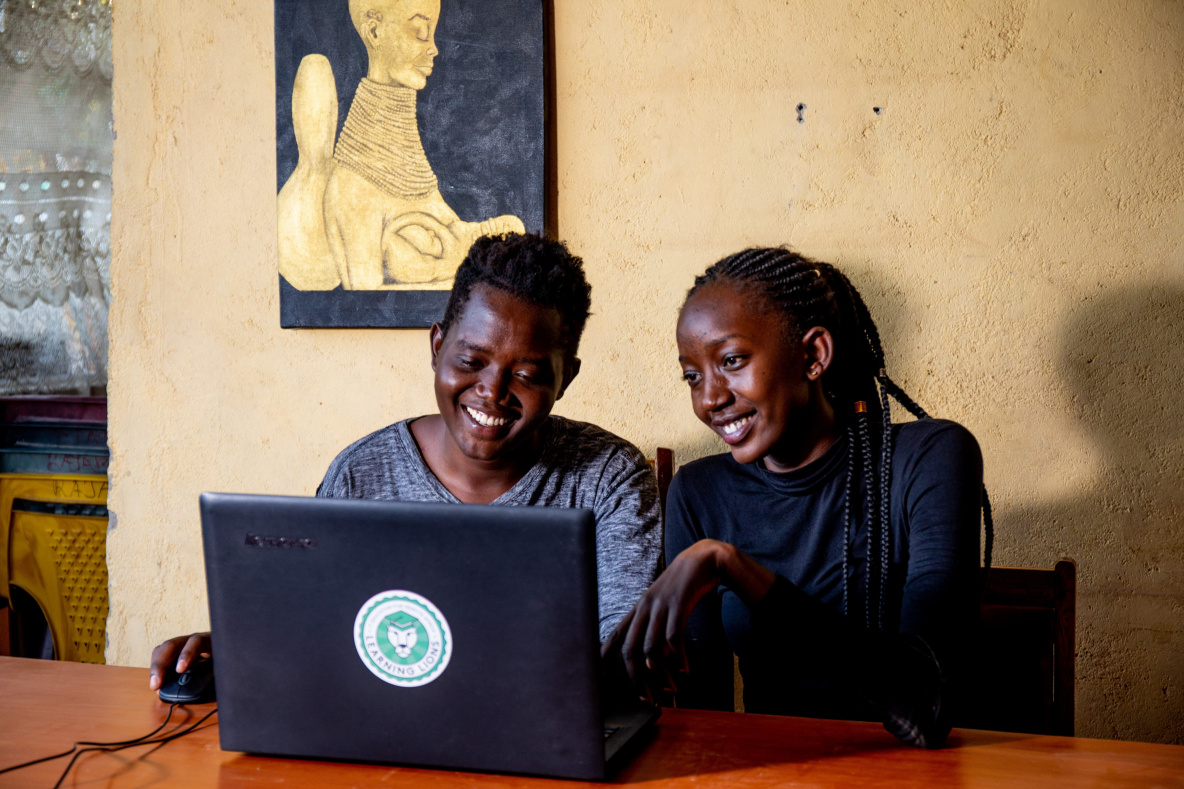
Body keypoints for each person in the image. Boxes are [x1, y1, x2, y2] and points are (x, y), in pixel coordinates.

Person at [151, 233, 661, 689]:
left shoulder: (608, 479)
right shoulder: (362, 474)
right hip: (385, 736)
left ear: (565, 377)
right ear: (437, 346)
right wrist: (243, 650)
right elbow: (321, 628)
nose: (492, 392)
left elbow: (619, 659)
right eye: (471, 360)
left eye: (526, 374)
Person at [604, 247, 991, 748]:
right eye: (693, 375)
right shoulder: (700, 492)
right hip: (773, 773)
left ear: (812, 356)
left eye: (732, 360)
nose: (709, 398)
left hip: (919, 774)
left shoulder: (928, 458)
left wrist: (733, 567)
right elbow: (703, 718)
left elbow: (925, 702)